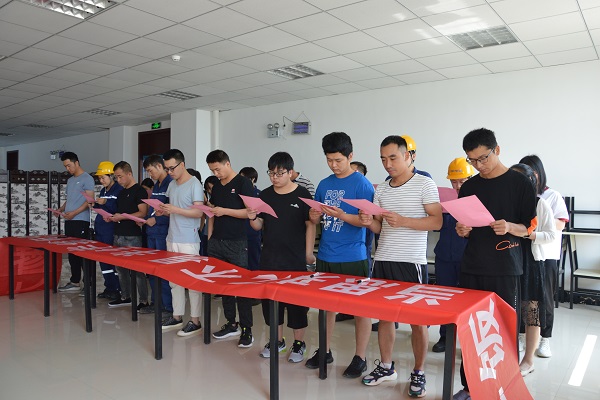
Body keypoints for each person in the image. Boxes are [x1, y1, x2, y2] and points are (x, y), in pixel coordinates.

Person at [452, 128, 537, 400]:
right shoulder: (469, 187)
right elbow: (465, 224)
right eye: (473, 160)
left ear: (497, 150)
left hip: (506, 268)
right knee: (471, 330)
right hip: (472, 266)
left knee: (504, 331)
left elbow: (530, 228)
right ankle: (469, 386)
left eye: (483, 158)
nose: (479, 165)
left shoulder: (520, 183)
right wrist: (462, 229)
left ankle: (503, 385)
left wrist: (510, 227)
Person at [359, 135, 442, 398]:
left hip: (411, 262)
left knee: (418, 321)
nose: (388, 164)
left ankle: (418, 371)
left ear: (408, 156)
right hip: (383, 259)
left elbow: (437, 222)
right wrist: (368, 221)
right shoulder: (382, 189)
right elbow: (379, 227)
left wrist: (404, 221)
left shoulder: (424, 184)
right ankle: (386, 367)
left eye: (393, 158)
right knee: (385, 317)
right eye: (383, 159)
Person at [304, 132, 375, 379]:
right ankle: (324, 350)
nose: (333, 165)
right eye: (329, 160)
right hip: (326, 253)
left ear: (350, 156)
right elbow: (316, 217)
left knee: (360, 309)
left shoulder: (362, 184)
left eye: (338, 160)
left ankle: (360, 357)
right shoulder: (324, 184)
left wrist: (341, 215)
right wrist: (315, 216)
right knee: (325, 307)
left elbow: (367, 221)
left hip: (353, 255)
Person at [246, 152, 316, 363]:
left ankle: (299, 343)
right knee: (271, 303)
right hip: (270, 258)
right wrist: (252, 217)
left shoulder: (302, 194)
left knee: (297, 304)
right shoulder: (265, 195)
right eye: (271, 173)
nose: (274, 177)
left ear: (290, 172)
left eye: (279, 173)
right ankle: (277, 341)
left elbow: (310, 225)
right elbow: (258, 225)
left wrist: (308, 253)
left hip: (295, 259)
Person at [519, 155, 568, 358]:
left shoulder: (551, 196)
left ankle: (545, 339)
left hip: (546, 255)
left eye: (532, 172)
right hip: (525, 254)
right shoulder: (519, 196)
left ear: (539, 173)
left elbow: (560, 224)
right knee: (524, 299)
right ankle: (523, 337)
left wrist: (534, 224)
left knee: (544, 299)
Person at [510, 163, 556, 376]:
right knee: (509, 311)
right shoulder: (506, 202)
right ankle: (508, 356)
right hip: (509, 259)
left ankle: (528, 360)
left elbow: (551, 235)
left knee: (531, 312)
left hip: (531, 262)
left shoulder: (540, 204)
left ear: (531, 182)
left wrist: (529, 234)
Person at [206, 150, 255, 347]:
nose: (216, 174)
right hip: (217, 242)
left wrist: (224, 211)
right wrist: (210, 238)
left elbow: (250, 213)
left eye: (218, 169)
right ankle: (231, 323)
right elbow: (213, 212)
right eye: (212, 170)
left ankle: (247, 328)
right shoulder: (217, 186)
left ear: (227, 163)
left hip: (236, 242)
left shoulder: (243, 183)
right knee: (223, 285)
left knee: (242, 287)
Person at [159, 150, 205, 337]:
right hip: (172, 237)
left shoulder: (195, 184)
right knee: (174, 281)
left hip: (188, 240)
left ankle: (195, 321)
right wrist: (164, 211)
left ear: (182, 164)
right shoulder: (172, 185)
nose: (169, 172)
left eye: (172, 168)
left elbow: (199, 213)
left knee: (192, 282)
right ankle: (177, 316)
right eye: (167, 169)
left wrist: (175, 209)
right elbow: (174, 210)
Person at [431, 158, 474, 353]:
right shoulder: (444, 199)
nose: (457, 186)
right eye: (453, 182)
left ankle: (467, 341)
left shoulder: (479, 200)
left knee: (467, 301)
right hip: (444, 257)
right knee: (445, 299)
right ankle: (445, 337)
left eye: (462, 182)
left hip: (468, 258)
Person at [107, 161, 149, 309]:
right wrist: (112, 217)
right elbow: (120, 212)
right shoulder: (121, 192)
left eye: (120, 177)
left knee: (137, 270)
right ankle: (125, 296)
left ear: (129, 174)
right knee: (120, 269)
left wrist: (123, 216)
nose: (118, 180)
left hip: (132, 235)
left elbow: (142, 212)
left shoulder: (140, 191)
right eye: (116, 177)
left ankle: (143, 300)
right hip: (118, 233)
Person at [138, 155, 173, 316]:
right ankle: (156, 302)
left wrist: (157, 219)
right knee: (152, 270)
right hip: (152, 232)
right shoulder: (157, 185)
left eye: (150, 170)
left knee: (163, 270)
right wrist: (145, 219)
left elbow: (173, 211)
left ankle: (167, 306)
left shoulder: (171, 184)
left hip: (162, 233)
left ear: (159, 166)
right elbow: (154, 209)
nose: (150, 174)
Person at [57, 152, 95, 292]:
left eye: (69, 165)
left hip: (81, 221)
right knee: (72, 252)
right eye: (65, 166)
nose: (68, 169)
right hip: (70, 221)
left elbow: (89, 201)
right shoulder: (70, 180)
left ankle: (88, 283)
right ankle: (75, 281)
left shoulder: (87, 178)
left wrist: (74, 213)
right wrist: (62, 209)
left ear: (76, 163)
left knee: (83, 252)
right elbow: (70, 199)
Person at [92, 161, 122, 300]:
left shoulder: (119, 190)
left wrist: (106, 203)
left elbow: (118, 209)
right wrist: (95, 204)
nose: (101, 180)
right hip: (100, 229)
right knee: (103, 260)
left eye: (103, 177)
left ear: (112, 176)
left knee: (112, 260)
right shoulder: (103, 191)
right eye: (99, 178)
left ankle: (117, 289)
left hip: (110, 230)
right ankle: (109, 287)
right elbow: (102, 208)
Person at [239, 167, 262, 272]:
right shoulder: (239, 194)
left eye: (245, 178)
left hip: (253, 233)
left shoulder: (259, 194)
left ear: (253, 179)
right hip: (239, 233)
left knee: (253, 261)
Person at [200, 176, 219, 257]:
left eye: (211, 188)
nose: (209, 191)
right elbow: (204, 216)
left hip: (217, 233)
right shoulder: (207, 197)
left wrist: (208, 204)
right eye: (207, 189)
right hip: (207, 231)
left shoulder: (221, 198)